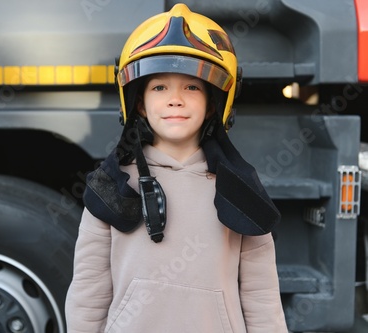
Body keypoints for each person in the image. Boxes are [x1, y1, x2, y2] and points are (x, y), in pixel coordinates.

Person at [65, 3, 288, 332]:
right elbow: (88, 294)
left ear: (213, 102)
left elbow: (261, 296)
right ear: (139, 102)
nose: (175, 99)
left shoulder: (240, 190)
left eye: (192, 86)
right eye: (159, 87)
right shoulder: (112, 187)